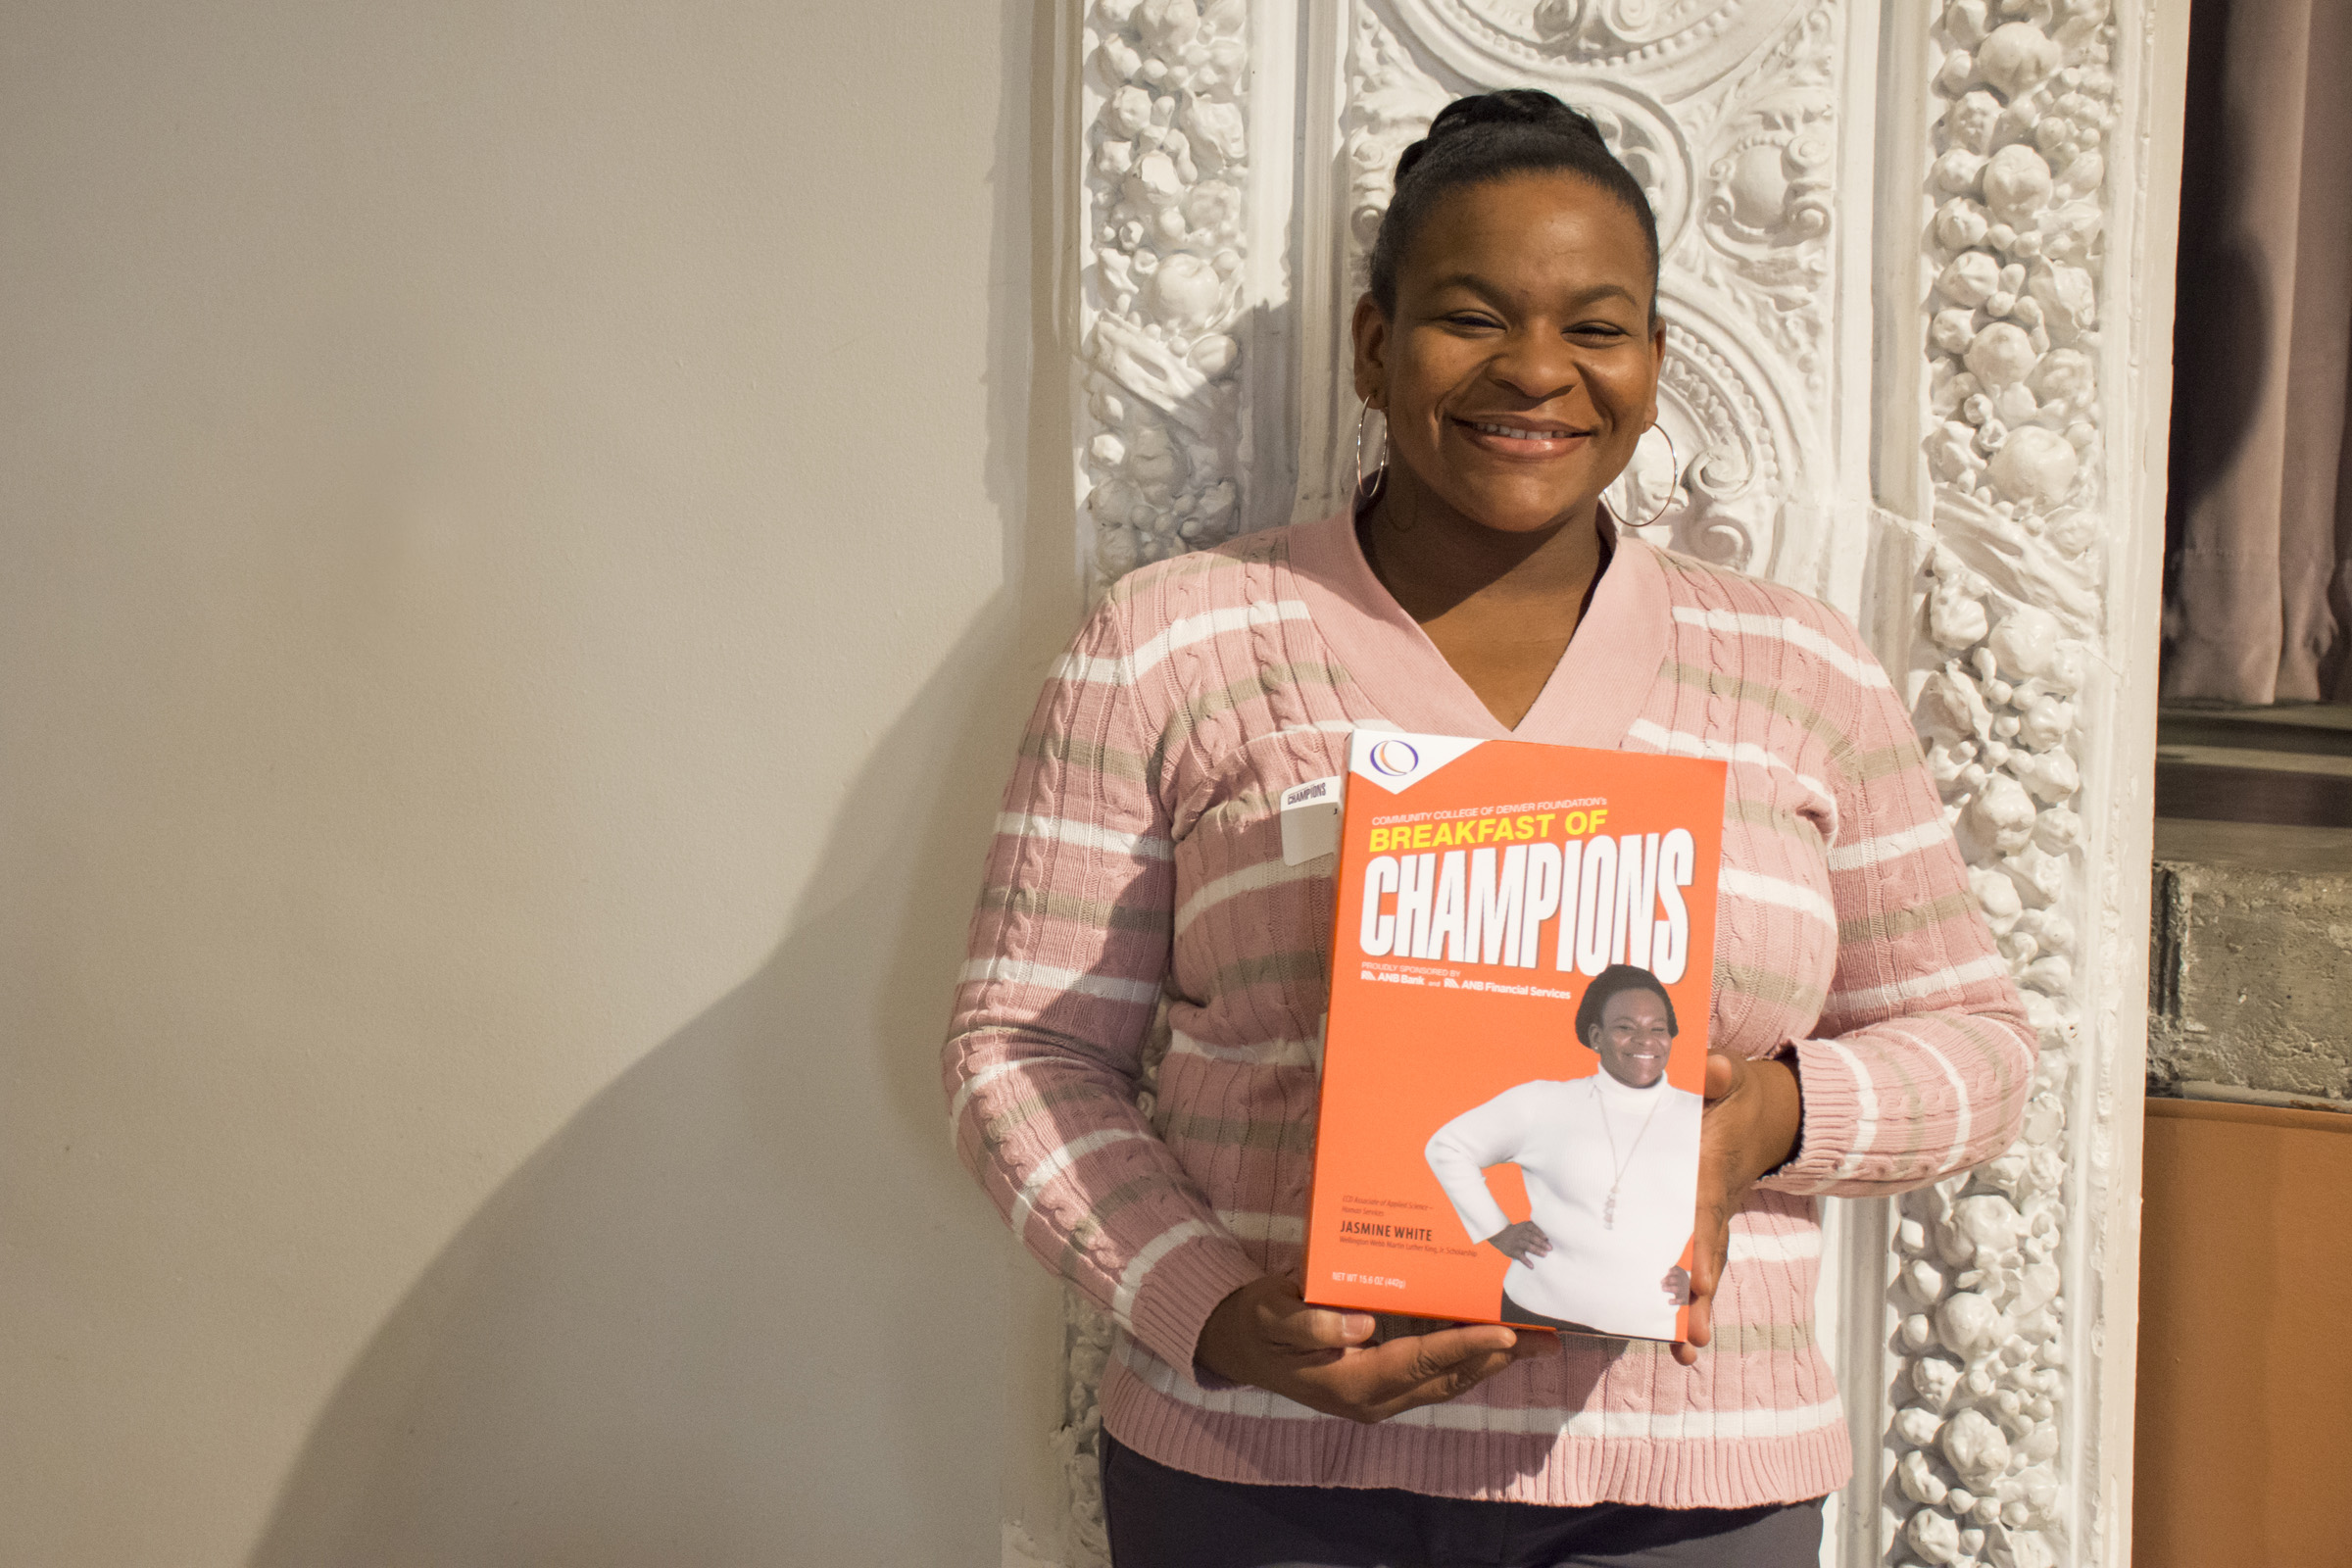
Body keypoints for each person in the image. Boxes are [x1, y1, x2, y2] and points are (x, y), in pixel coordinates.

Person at [944, 88, 2034, 1568]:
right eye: (1470, 317)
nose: (1539, 372)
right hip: (1261, 1479)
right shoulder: (1175, 643)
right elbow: (1021, 1050)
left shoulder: (1801, 671)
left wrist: (1763, 1124)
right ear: (1377, 346)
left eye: (1597, 327)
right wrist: (1208, 1307)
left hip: (1691, 1486)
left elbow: (1973, 1046)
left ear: (1654, 362)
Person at [1424, 964, 1704, 1342]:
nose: (1645, 1041)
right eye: (1625, 1027)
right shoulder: (1545, 1102)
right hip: (1535, 1308)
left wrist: (1703, 1279)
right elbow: (1448, 1146)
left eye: (1658, 1029)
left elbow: (1727, 1203)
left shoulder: (1705, 1116)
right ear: (1596, 1036)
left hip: (1642, 1327)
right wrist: (1496, 1230)